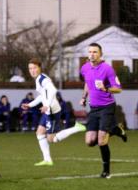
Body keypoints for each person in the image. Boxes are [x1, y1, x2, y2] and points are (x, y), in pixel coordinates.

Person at [78, 43, 126, 178]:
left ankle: (106, 171)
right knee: (89, 141)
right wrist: (84, 97)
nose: (92, 54)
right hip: (93, 108)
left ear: (100, 54)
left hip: (107, 106)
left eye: (95, 52)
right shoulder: (85, 68)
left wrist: (106, 89)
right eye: (90, 52)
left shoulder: (108, 69)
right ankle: (116, 130)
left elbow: (118, 88)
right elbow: (87, 83)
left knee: (101, 141)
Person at [21, 58, 67, 166]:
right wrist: (30, 104)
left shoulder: (43, 79)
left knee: (52, 139)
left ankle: (76, 128)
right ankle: (47, 160)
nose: (32, 70)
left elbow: (53, 90)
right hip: (47, 110)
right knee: (40, 133)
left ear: (39, 68)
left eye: (34, 68)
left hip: (52, 111)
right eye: (30, 68)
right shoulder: (38, 80)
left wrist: (47, 105)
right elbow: (42, 96)